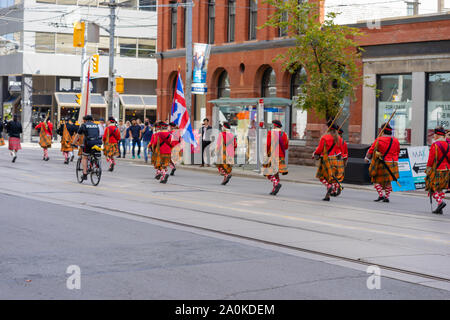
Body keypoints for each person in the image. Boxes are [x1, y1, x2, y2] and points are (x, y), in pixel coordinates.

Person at [365, 123, 400, 203]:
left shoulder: (379, 140)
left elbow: (371, 150)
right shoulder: (396, 140)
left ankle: (381, 195)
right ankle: (386, 197)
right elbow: (398, 151)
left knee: (375, 179)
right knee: (388, 181)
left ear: (382, 131)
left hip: (383, 162)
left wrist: (367, 158)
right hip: (393, 163)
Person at [313, 122, 345, 201]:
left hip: (326, 159)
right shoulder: (339, 138)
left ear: (329, 128)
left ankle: (329, 186)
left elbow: (319, 149)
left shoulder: (325, 137)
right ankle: (328, 196)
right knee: (331, 178)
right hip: (335, 160)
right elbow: (340, 150)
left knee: (321, 176)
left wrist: (315, 154)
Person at [425, 127, 450, 214]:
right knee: (440, 189)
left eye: (434, 135)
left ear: (437, 135)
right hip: (447, 169)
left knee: (432, 187)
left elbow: (431, 159)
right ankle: (440, 209)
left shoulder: (435, 145)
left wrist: (428, 169)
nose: (434, 136)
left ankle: (440, 202)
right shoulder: (448, 145)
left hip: (437, 169)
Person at [263, 120, 289, 195]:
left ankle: (276, 183)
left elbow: (268, 144)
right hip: (280, 155)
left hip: (272, 154)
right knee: (276, 173)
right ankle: (274, 189)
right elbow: (286, 146)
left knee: (267, 172)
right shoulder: (284, 134)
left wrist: (267, 153)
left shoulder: (271, 133)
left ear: (274, 125)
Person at [74, 115, 102, 181]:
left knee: (84, 157)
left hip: (89, 142)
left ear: (85, 120)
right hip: (97, 142)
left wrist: (73, 143)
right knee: (95, 154)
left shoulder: (84, 125)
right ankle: (96, 164)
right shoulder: (96, 125)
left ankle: (85, 173)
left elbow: (78, 135)